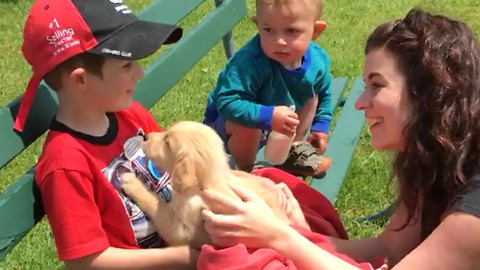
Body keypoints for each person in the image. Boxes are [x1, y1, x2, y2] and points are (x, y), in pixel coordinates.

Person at [200, 8, 480, 270]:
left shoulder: (473, 211)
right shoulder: (435, 157)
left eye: (377, 85)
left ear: (429, 94)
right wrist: (295, 231)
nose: (359, 102)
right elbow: (386, 247)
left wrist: (277, 236)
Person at [16, 0, 197, 269]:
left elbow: (179, 171)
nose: (140, 73)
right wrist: (187, 257)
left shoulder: (130, 115)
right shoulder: (66, 164)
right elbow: (85, 261)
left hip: (189, 233)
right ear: (80, 80)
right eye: (126, 66)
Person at [202, 0, 333, 176]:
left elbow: (324, 92)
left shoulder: (318, 60)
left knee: (312, 93)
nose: (279, 41)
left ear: (315, 31)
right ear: (258, 25)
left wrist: (320, 126)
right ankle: (248, 169)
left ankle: (290, 150)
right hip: (226, 130)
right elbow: (227, 103)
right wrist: (268, 116)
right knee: (247, 124)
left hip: (276, 123)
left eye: (291, 31)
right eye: (269, 30)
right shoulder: (249, 62)